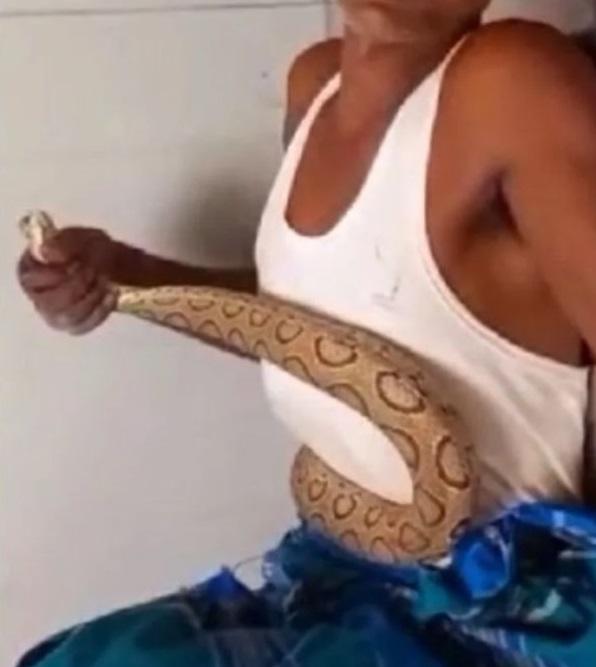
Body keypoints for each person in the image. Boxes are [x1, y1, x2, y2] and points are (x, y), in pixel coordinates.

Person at [15, 1, 596, 665]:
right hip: (332, 574)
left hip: (484, 609)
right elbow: (329, 325)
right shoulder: (315, 84)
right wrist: (134, 279)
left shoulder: (511, 83)